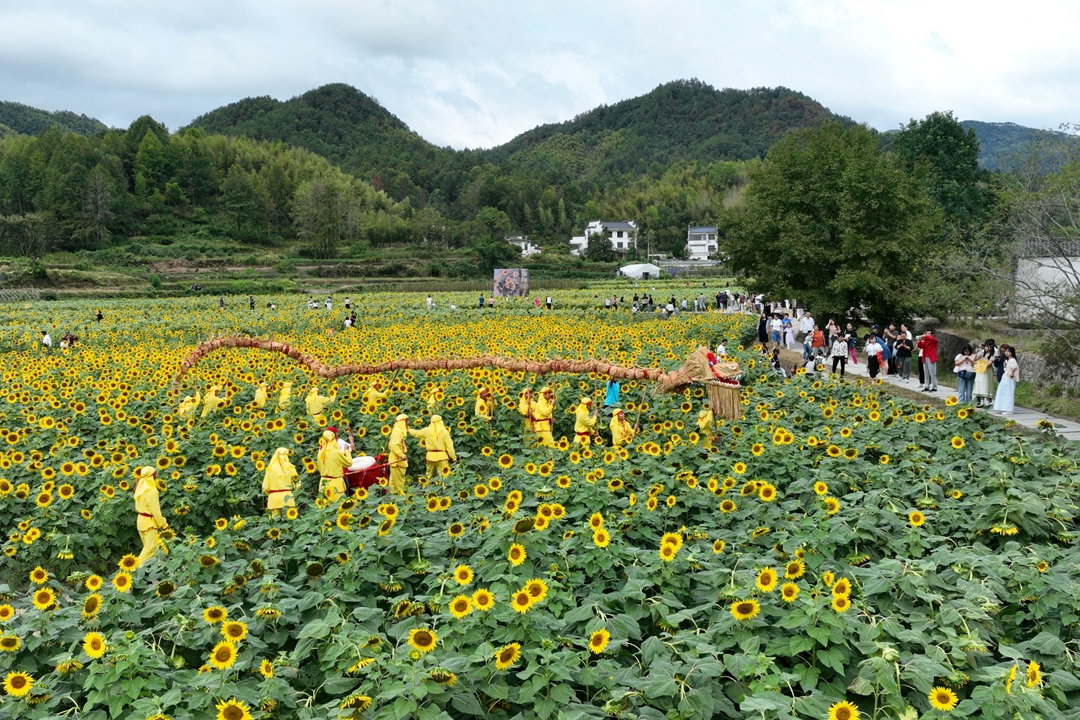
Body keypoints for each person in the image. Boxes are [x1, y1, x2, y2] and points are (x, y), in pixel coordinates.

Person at [133, 466, 169, 566]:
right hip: (149, 523)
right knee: (150, 549)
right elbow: (156, 512)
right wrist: (164, 525)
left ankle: (156, 570)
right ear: (152, 477)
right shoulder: (151, 491)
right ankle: (132, 569)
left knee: (153, 549)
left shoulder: (140, 487)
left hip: (141, 521)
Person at [409, 414, 456, 478]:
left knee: (428, 475)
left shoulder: (426, 430)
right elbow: (449, 446)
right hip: (442, 457)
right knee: (444, 476)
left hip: (430, 457)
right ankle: (444, 487)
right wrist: (453, 457)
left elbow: (417, 433)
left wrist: (409, 430)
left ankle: (425, 487)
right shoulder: (444, 432)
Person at [262, 448, 299, 517]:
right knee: (289, 523)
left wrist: (270, 494)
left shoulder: (270, 469)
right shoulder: (291, 468)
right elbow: (297, 485)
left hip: (274, 499)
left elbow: (265, 487)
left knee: (275, 524)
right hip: (288, 498)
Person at [317, 429, 351, 501]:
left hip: (323, 484)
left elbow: (319, 468)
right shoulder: (336, 452)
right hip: (336, 485)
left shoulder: (320, 453)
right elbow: (349, 463)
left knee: (326, 508)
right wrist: (346, 451)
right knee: (339, 506)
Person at [387, 414, 410, 494]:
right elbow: (394, 445)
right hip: (398, 460)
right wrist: (402, 455)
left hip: (394, 459)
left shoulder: (396, 429)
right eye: (407, 421)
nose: (408, 423)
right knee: (400, 483)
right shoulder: (399, 432)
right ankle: (402, 500)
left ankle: (391, 498)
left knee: (393, 483)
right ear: (404, 422)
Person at [992, 347, 1019, 414]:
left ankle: (1009, 409)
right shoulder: (1007, 360)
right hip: (1005, 378)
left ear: (1012, 353)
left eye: (1008, 351)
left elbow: (1014, 367)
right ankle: (1003, 407)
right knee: (1003, 392)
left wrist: (1012, 374)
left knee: (1008, 393)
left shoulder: (1013, 360)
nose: (1006, 353)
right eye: (1006, 351)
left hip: (1009, 379)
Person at [973, 343, 994, 408]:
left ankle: (987, 402)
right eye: (985, 347)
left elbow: (988, 364)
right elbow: (975, 360)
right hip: (980, 371)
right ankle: (981, 402)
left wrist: (983, 358)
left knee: (986, 385)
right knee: (980, 384)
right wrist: (976, 353)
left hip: (987, 371)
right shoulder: (982, 353)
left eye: (987, 347)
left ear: (991, 347)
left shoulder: (992, 355)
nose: (985, 348)